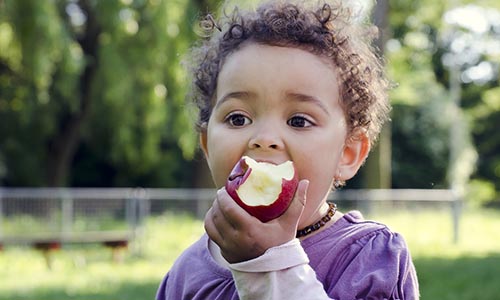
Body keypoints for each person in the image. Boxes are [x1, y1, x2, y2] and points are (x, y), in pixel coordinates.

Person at [156, 0, 419, 299]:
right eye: (238, 118)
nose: (264, 139)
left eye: (298, 120)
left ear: (348, 153)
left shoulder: (369, 257)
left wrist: (269, 265)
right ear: (206, 145)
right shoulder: (187, 272)